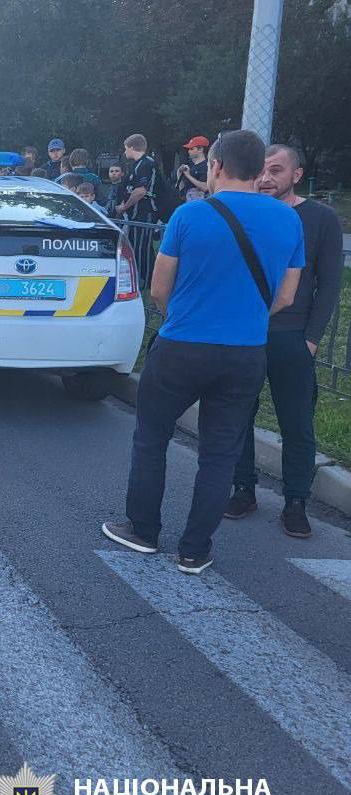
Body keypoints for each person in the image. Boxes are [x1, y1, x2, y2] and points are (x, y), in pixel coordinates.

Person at [103, 129, 304, 575]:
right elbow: (287, 297)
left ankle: (143, 530)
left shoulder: (190, 218)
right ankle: (195, 549)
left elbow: (159, 288)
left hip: (182, 347)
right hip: (246, 353)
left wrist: (185, 315)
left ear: (214, 166)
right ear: (258, 170)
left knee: (152, 437)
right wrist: (246, 317)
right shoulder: (288, 220)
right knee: (220, 452)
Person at [225, 145, 344, 537]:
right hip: (245, 333)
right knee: (238, 414)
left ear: (296, 175)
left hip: (292, 337)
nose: (265, 178)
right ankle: (243, 489)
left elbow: (329, 285)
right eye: (261, 170)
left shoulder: (321, 218)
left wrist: (311, 340)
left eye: (276, 170)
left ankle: (296, 501)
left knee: (297, 424)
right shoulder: (246, 213)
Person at [112, 134, 158, 222]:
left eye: (126, 149)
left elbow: (140, 191)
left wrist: (124, 207)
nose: (125, 152)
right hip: (135, 214)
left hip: (145, 214)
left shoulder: (146, 163)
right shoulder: (136, 165)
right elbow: (130, 188)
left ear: (132, 148)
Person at [177, 135, 210, 203]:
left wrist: (188, 175)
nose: (189, 151)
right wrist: (179, 173)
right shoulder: (190, 166)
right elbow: (182, 189)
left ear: (200, 149)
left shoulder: (206, 166)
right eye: (188, 149)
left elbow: (205, 187)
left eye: (192, 149)